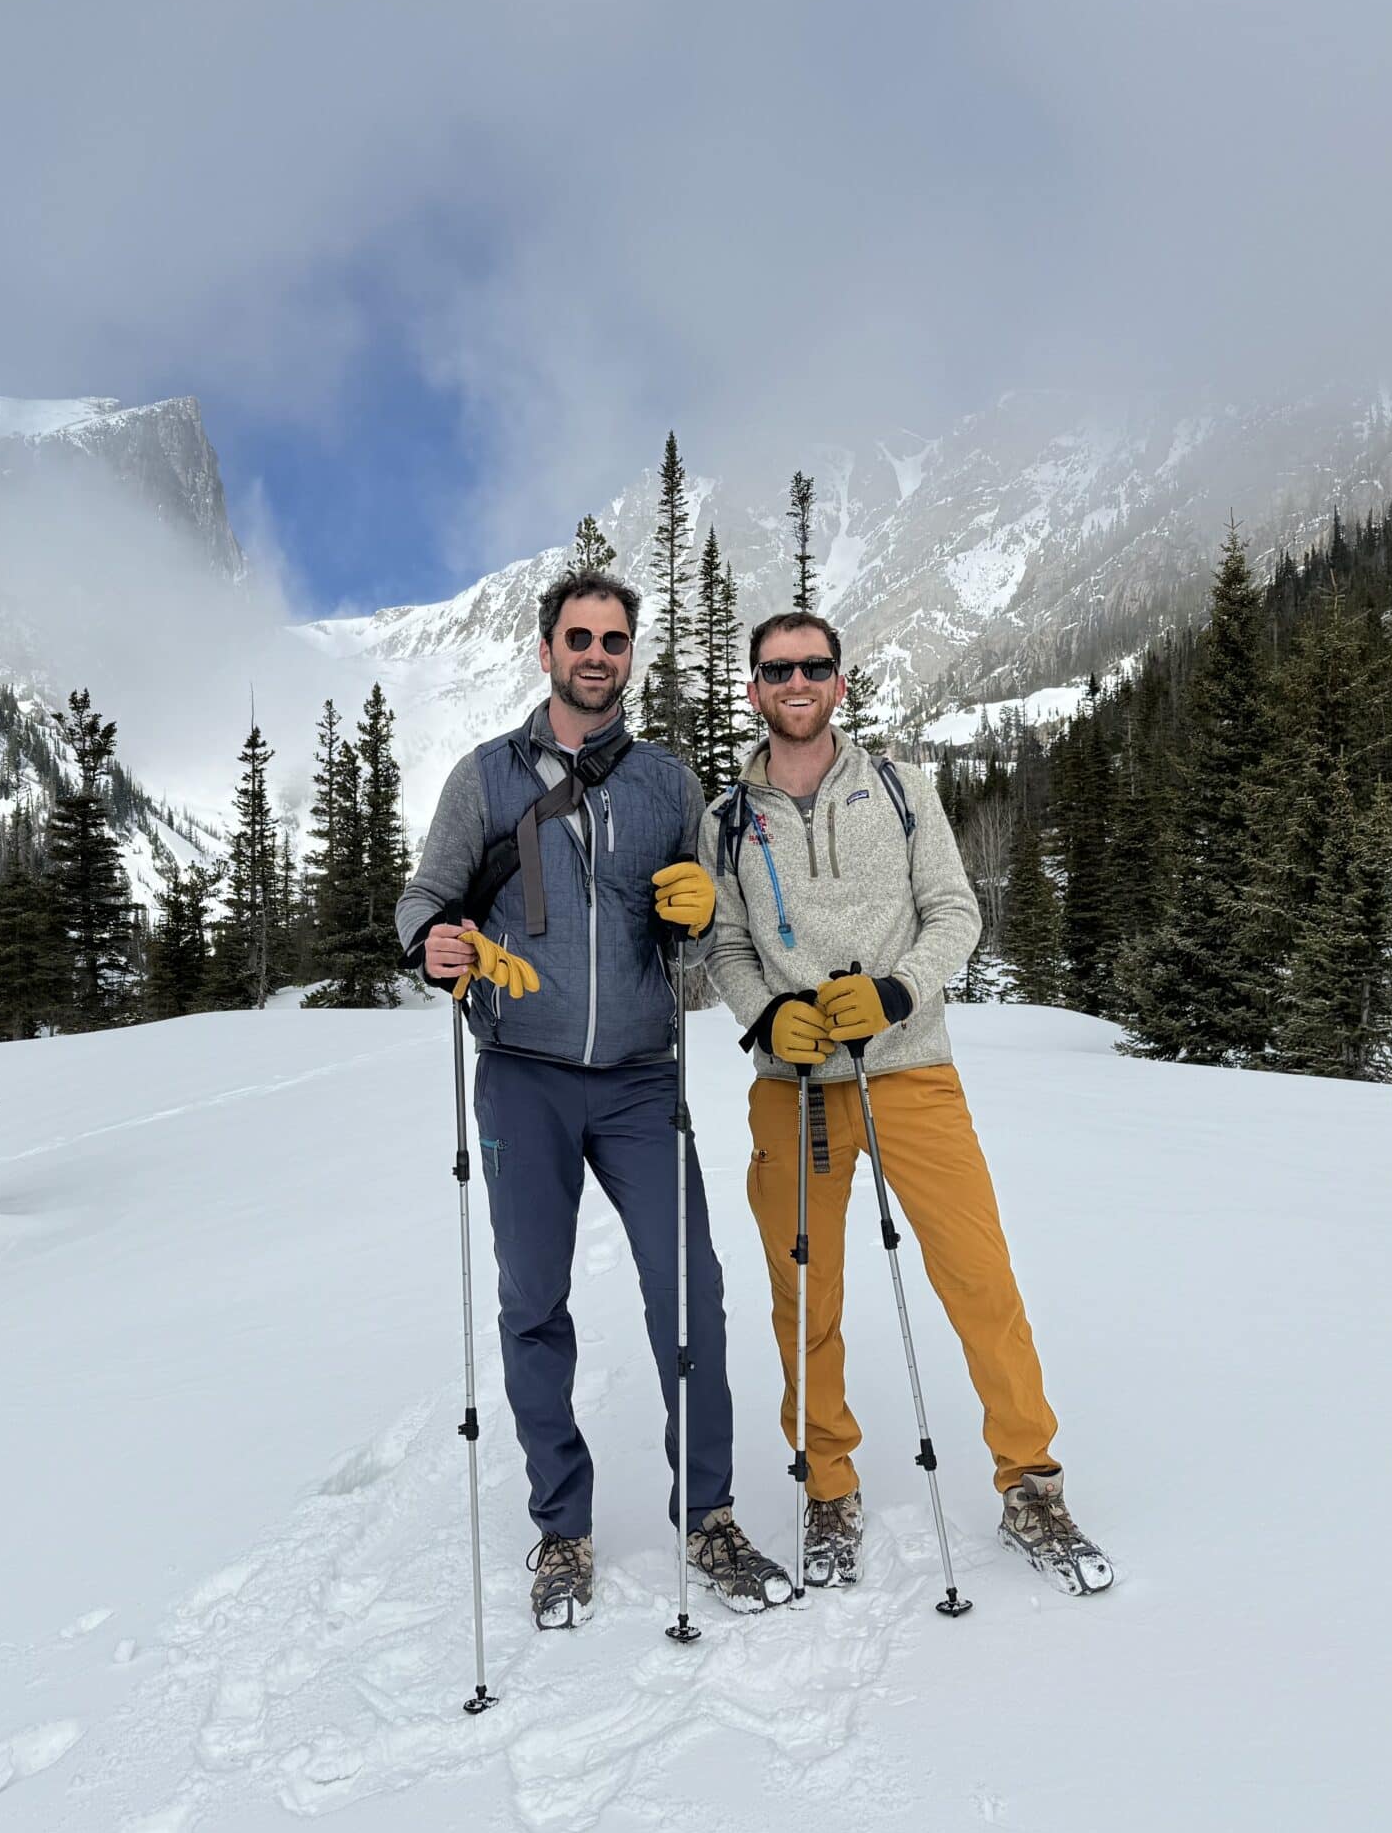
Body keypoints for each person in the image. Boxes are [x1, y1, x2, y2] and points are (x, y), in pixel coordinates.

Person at [398, 566, 793, 1630]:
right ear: (545, 651)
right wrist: (435, 949)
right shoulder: (483, 779)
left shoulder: (667, 785)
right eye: (578, 637)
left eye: (613, 640)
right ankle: (560, 1528)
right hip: (519, 1075)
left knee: (690, 1294)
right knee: (534, 1304)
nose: (596, 655)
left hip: (636, 1078)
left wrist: (701, 908)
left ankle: (704, 1514)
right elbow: (425, 899)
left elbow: (703, 943)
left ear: (631, 654)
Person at [700, 609, 1115, 1596]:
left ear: (840, 683)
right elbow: (722, 947)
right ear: (753, 688)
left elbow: (956, 914)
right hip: (791, 1093)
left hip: (913, 1075)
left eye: (813, 666)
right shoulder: (726, 818)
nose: (794, 681)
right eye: (775, 668)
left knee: (979, 1280)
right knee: (806, 1299)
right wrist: (764, 1018)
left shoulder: (898, 787)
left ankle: (1031, 1487)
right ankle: (827, 1489)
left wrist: (894, 993)